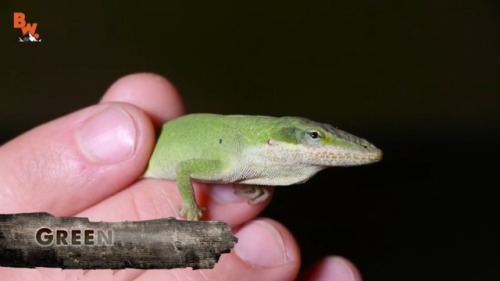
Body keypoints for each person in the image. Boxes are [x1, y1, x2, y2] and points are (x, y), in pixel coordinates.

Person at [0, 73, 363, 281]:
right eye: (313, 138)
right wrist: (190, 206)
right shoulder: (227, 159)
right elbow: (185, 169)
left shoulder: (242, 156)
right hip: (131, 173)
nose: (323, 147)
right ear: (273, 140)